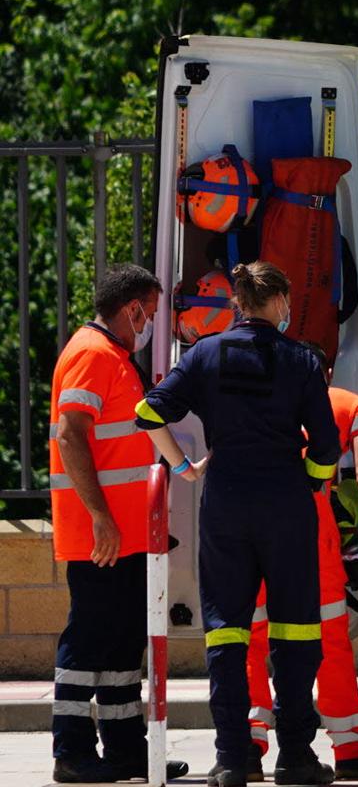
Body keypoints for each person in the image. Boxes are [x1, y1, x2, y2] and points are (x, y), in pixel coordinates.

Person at [135, 261, 340, 787]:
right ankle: (295, 756)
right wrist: (311, 484)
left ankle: (232, 759)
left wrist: (182, 468)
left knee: (226, 633)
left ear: (238, 303)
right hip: (286, 504)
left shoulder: (204, 353)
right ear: (277, 303)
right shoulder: (300, 360)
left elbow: (149, 412)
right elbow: (324, 448)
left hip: (225, 501)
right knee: (296, 632)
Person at [49, 263, 191, 784]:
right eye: (149, 313)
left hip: (127, 537)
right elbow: (71, 436)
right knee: (90, 641)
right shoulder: (91, 354)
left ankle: (128, 751)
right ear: (131, 309)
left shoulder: (112, 357)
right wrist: (103, 519)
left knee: (121, 647)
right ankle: (72, 753)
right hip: (103, 537)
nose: (151, 323)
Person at [246, 342, 358, 781]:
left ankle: (247, 746)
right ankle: (351, 749)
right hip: (310, 538)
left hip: (252, 530)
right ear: (328, 370)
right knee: (329, 641)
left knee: (254, 638)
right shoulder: (347, 404)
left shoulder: (255, 403)